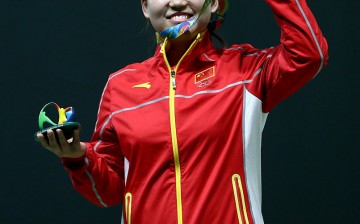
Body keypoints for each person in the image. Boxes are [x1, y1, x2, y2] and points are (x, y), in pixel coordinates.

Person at [37, 0, 328, 223]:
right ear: (145, 7)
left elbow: (309, 53)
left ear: (213, 3)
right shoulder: (120, 86)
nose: (176, 2)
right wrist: (77, 157)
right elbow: (108, 192)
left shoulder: (245, 72)